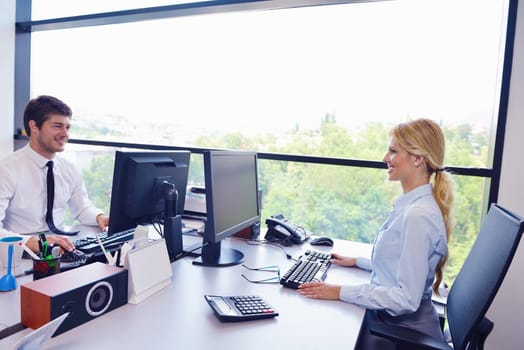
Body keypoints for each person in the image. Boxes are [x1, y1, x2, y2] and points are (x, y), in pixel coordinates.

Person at [298, 118, 455, 349]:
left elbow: (405, 299)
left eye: (393, 151)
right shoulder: (414, 205)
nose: (385, 158)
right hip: (391, 323)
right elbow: (400, 264)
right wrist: (358, 262)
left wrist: (339, 291)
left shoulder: (418, 216)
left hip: (401, 333)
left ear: (418, 159)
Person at [0, 95, 109, 253]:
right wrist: (34, 243)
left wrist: (99, 217)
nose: (65, 134)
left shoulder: (70, 168)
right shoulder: (6, 169)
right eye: (57, 126)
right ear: (34, 127)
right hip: (20, 253)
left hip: (60, 249)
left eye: (68, 127)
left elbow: (82, 208)